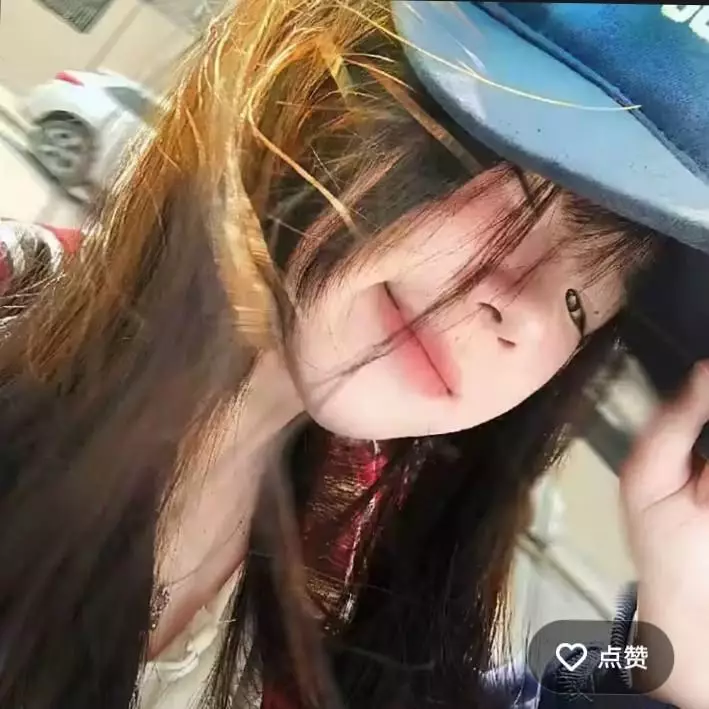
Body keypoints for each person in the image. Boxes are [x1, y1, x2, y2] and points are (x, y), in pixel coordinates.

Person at [0, 1, 706, 708]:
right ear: (327, 81)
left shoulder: (355, 570)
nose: (519, 308)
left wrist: (675, 641)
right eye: (522, 189)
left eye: (579, 306)